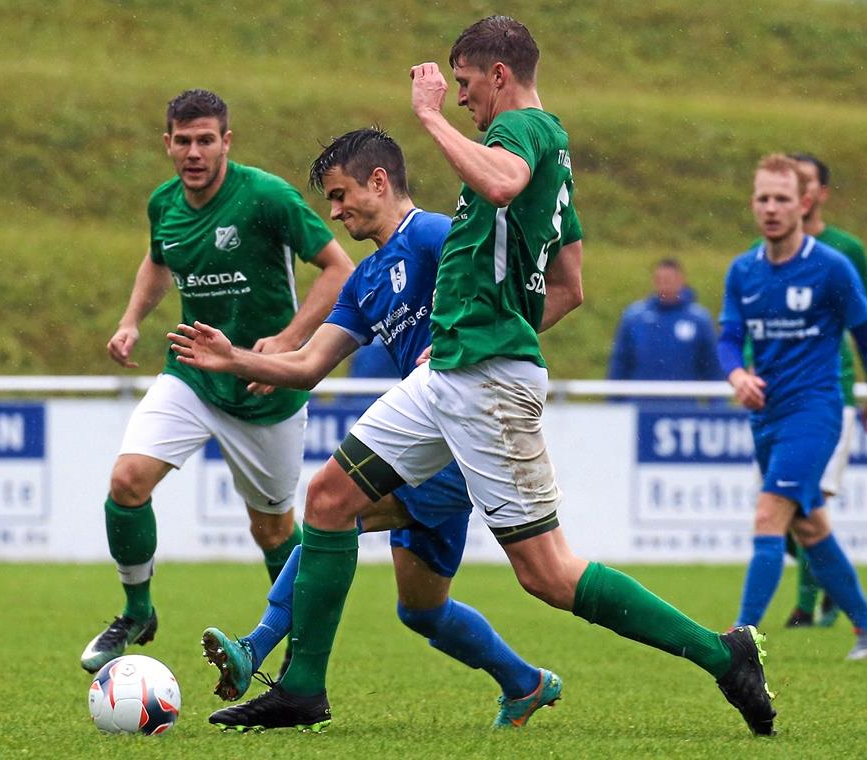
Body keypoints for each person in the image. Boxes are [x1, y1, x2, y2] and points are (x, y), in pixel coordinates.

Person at [173, 16, 775, 737]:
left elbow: (500, 184)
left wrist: (425, 118)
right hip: (453, 371)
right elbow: (570, 282)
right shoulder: (540, 164)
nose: (457, 98)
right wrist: (238, 357)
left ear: (499, 75)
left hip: (487, 381)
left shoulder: (524, 134)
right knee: (328, 498)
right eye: (448, 91)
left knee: (547, 574)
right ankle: (301, 688)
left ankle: (722, 654)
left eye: (462, 83)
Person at [173, 126, 557, 730]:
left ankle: (258, 646)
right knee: (422, 611)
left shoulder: (434, 234)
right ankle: (526, 681)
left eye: (339, 193)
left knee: (332, 508)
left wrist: (459, 346)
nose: (333, 210)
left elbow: (512, 294)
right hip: (424, 444)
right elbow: (305, 367)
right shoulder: (366, 278)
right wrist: (233, 357)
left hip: (459, 440)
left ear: (379, 182)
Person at [79, 89, 354, 673]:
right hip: (193, 372)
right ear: (168, 144)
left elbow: (339, 268)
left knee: (273, 528)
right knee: (127, 481)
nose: (195, 152)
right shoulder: (165, 204)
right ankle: (137, 610)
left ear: (227, 141)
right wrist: (131, 321)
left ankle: (296, 651)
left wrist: (288, 343)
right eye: (184, 141)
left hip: (264, 387)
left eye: (207, 140)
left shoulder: (266, 197)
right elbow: (159, 259)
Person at [718, 153, 867, 661]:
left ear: (804, 203)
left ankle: (741, 642)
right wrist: (737, 373)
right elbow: (729, 337)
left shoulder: (831, 267)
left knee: (769, 513)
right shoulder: (743, 270)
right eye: (763, 198)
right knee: (809, 525)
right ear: (752, 204)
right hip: (767, 415)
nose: (771, 208)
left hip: (817, 411)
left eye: (782, 198)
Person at [780, 153, 867, 629]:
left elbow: (865, 326)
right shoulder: (768, 255)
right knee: (784, 516)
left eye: (805, 182)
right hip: (780, 396)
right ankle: (837, 586)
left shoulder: (844, 251)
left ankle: (807, 607)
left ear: (818, 194)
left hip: (828, 393)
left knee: (803, 501)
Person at [607, 258, 723, 384]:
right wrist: (615, 401)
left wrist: (717, 402)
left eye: (668, 280)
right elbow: (620, 362)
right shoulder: (635, 317)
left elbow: (712, 365)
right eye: (659, 280)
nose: (664, 285)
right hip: (642, 400)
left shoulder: (699, 319)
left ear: (681, 280)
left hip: (684, 401)